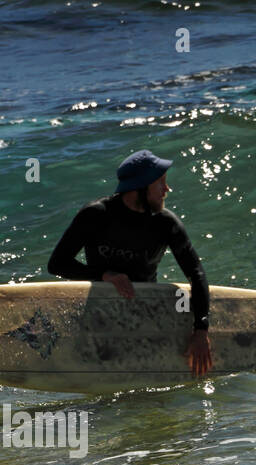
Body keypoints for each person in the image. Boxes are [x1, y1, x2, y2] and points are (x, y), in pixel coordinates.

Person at [47, 149, 213, 376]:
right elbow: (57, 264)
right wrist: (105, 275)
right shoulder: (96, 215)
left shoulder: (165, 223)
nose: (167, 190)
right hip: (99, 311)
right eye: (160, 183)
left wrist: (201, 331)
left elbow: (196, 273)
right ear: (140, 188)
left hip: (143, 311)